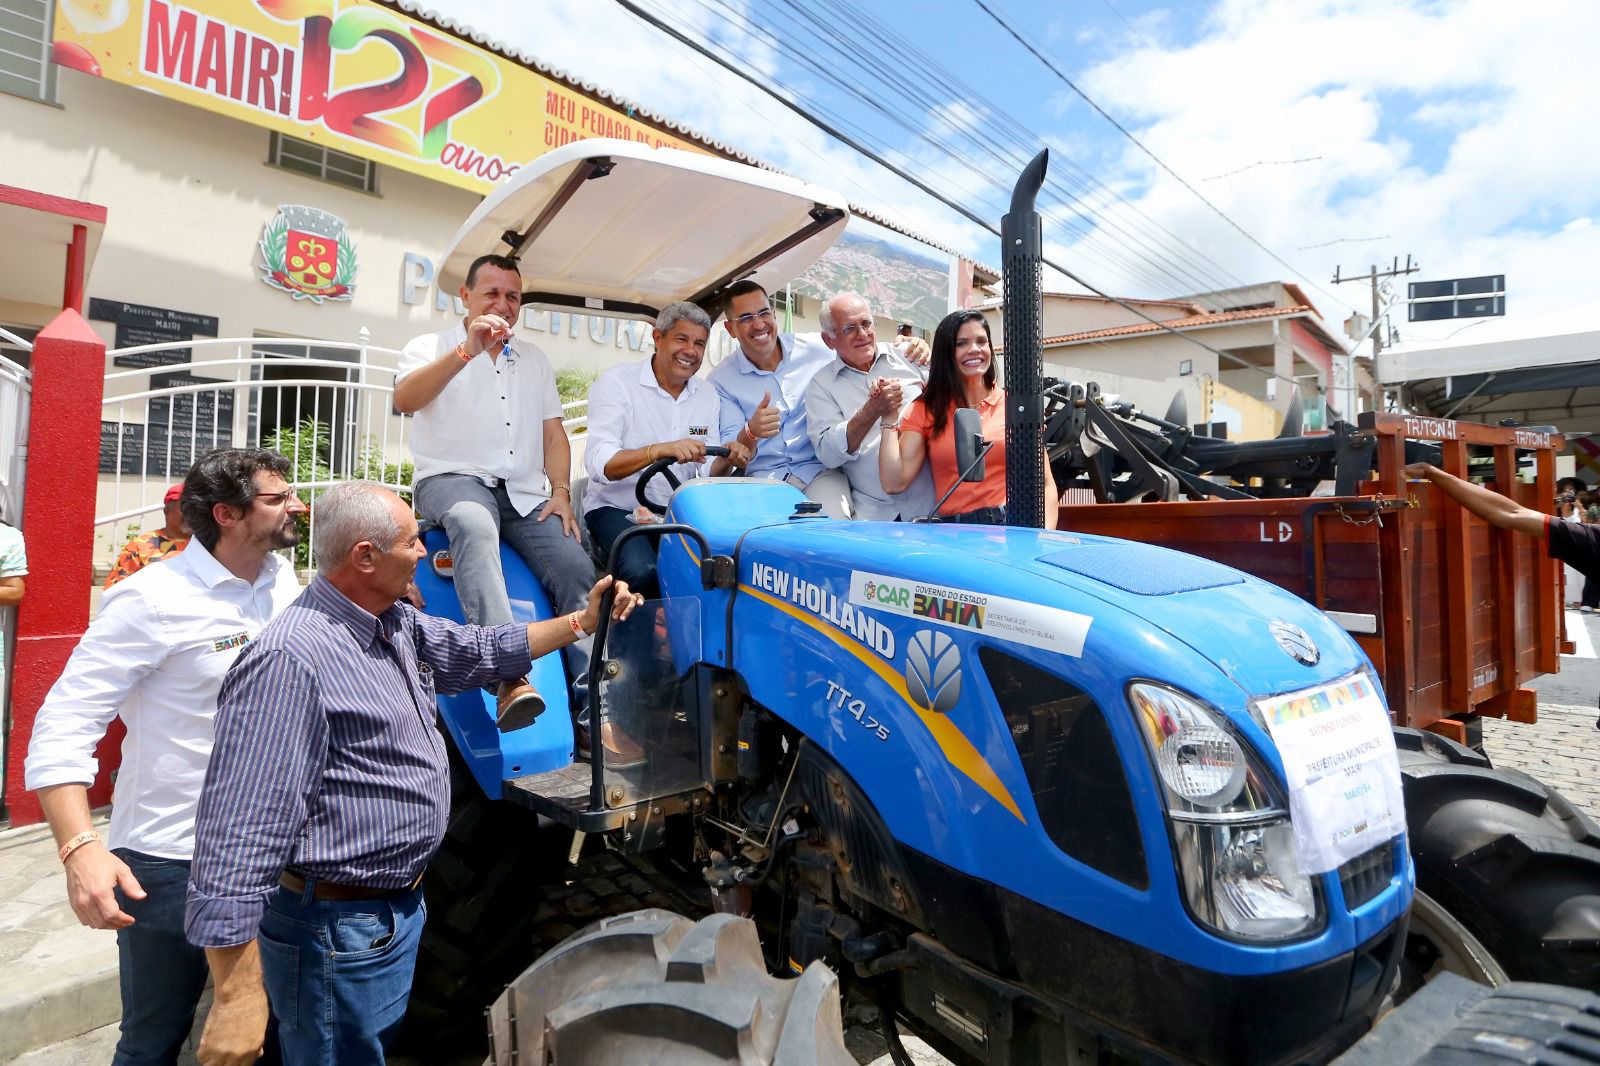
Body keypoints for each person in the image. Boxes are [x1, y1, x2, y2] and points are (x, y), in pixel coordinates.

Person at [184, 481, 642, 1066]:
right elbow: (238, 833)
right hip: (333, 930)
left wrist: (582, 620)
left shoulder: (392, 622)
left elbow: (480, 650)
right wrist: (238, 996)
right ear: (365, 557)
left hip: (387, 915)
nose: (424, 553)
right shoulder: (291, 660)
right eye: (410, 543)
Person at [23, 448, 306, 1066]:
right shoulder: (151, 599)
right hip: (174, 859)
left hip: (270, 854)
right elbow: (64, 722)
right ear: (227, 514)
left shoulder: (281, 582)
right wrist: (79, 850)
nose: (298, 505)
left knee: (270, 1032)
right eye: (279, 497)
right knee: (155, 1039)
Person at [394, 253, 597, 732]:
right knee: (471, 522)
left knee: (574, 562)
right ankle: (509, 677)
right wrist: (466, 351)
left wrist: (563, 491)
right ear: (464, 296)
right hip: (451, 480)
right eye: (492, 293)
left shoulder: (535, 359)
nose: (503, 305)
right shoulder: (431, 345)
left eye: (513, 296)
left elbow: (552, 434)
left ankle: (594, 708)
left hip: (522, 492)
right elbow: (405, 400)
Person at [710, 280, 931, 519]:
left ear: (774, 314)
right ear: (730, 329)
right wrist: (751, 432)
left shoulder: (817, 347)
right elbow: (733, 449)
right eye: (745, 318)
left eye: (764, 313)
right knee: (766, 538)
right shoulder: (721, 380)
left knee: (833, 531)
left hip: (820, 474)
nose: (759, 323)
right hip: (766, 477)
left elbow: (859, 342)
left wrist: (916, 345)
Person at [583, 301, 750, 598]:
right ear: (658, 338)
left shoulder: (706, 395)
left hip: (677, 515)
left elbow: (707, 469)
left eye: (699, 343)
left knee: (721, 572)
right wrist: (660, 450)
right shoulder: (617, 384)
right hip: (616, 509)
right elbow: (601, 465)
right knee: (643, 572)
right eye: (682, 339)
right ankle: (632, 643)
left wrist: (731, 452)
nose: (691, 351)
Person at [879, 309, 1058, 525]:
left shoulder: (1015, 405)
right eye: (961, 343)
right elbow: (894, 482)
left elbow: (1045, 484)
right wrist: (888, 418)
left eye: (981, 341)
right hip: (957, 534)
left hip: (1014, 529)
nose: (974, 350)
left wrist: (1043, 536)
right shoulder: (926, 409)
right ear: (946, 353)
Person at [805, 292, 936, 520]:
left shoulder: (909, 357)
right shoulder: (821, 386)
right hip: (876, 516)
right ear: (829, 340)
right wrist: (872, 410)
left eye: (866, 324)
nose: (862, 334)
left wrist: (932, 352)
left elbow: (950, 395)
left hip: (933, 505)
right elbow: (828, 455)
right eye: (849, 328)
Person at [105, 484, 190, 588]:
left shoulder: (209, 544)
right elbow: (115, 591)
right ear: (167, 511)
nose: (193, 513)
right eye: (186, 507)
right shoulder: (139, 547)